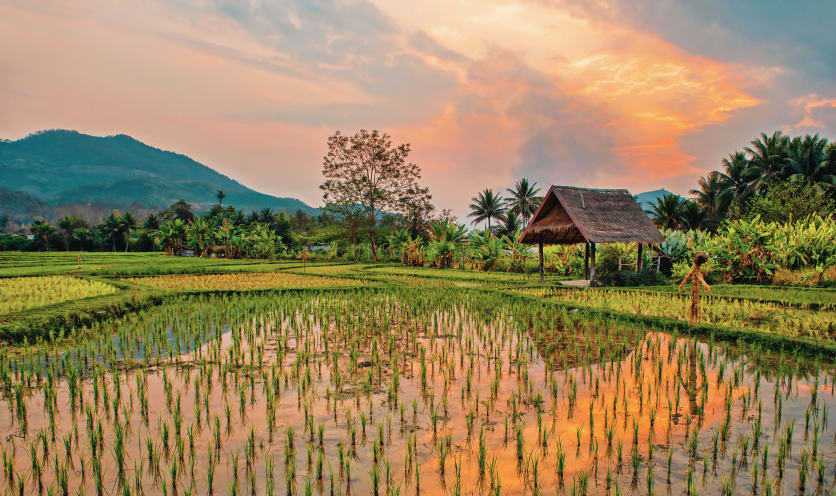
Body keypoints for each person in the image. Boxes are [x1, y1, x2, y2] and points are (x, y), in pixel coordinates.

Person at [679, 253, 711, 325]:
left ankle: (693, 321)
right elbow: (698, 277)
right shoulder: (696, 270)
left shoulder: (696, 270)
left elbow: (694, 276)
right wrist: (706, 285)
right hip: (694, 289)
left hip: (695, 289)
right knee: (694, 304)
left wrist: (682, 284)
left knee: (694, 304)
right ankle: (693, 321)